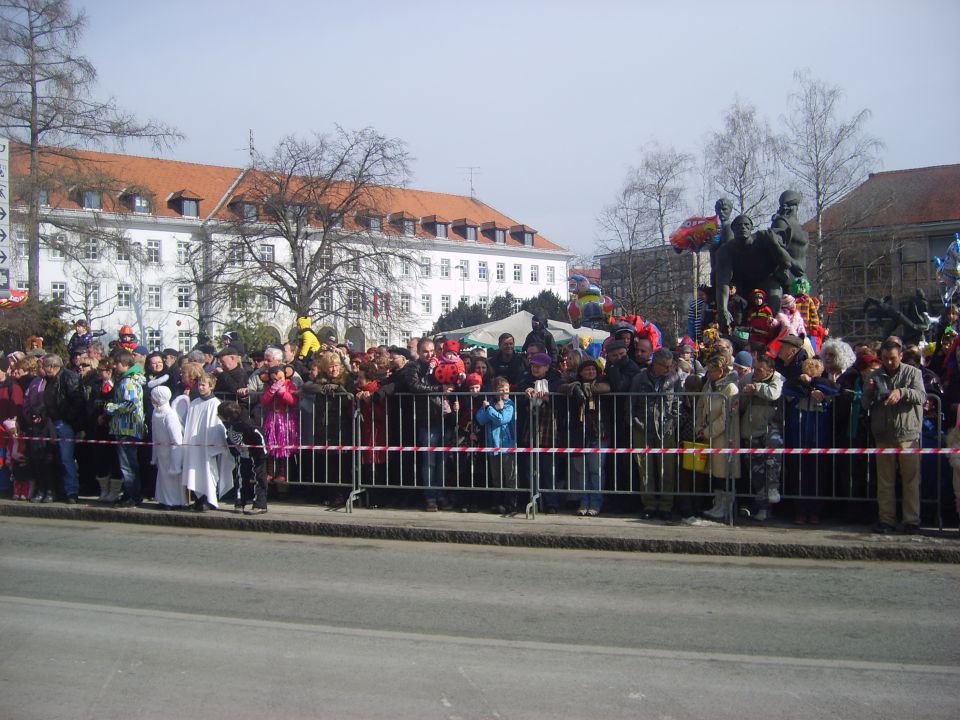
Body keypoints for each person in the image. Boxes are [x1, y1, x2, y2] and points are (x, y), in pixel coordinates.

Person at [863, 337, 926, 534]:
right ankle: (887, 519)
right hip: (883, 434)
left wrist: (902, 392)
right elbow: (865, 404)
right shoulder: (875, 374)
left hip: (908, 434)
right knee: (885, 481)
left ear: (900, 356)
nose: (889, 362)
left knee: (910, 480)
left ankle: (911, 520)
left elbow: (921, 396)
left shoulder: (913, 373)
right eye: (885, 359)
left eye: (893, 358)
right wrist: (870, 391)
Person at [632, 349, 683, 520]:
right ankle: (649, 504)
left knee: (666, 469)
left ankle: (666, 505)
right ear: (655, 364)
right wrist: (634, 422)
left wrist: (674, 420)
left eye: (671, 366)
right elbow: (630, 403)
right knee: (645, 469)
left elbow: (678, 402)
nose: (669, 369)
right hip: (642, 427)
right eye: (665, 366)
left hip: (666, 427)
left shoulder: (674, 378)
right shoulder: (639, 379)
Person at [736, 353, 785, 522]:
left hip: (770, 428)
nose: (755, 372)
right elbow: (739, 400)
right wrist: (741, 396)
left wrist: (756, 388)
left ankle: (773, 488)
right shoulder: (747, 378)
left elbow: (774, 394)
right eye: (755, 369)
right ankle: (763, 506)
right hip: (750, 429)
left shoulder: (777, 378)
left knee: (772, 460)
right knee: (756, 471)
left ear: (770, 370)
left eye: (760, 370)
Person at [181, 373, 234, 511]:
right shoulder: (194, 403)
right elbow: (190, 425)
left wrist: (213, 446)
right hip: (194, 446)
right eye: (199, 385)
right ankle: (198, 499)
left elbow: (216, 427)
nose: (200, 387)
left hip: (207, 446)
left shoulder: (215, 403)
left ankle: (209, 500)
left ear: (211, 386)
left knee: (208, 471)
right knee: (194, 471)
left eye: (204, 385)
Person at [103, 351, 147, 507]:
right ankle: (132, 494)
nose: (115, 367)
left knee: (127, 465)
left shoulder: (128, 382)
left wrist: (111, 407)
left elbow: (131, 404)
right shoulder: (127, 380)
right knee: (128, 465)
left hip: (127, 428)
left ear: (124, 364)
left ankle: (132, 495)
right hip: (125, 428)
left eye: (117, 363)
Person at [40, 353, 84, 503]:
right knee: (56, 458)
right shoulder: (51, 379)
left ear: (52, 366)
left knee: (67, 459)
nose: (43, 370)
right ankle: (61, 489)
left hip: (64, 422)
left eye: (45, 366)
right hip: (53, 421)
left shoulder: (68, 377)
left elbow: (77, 401)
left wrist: (68, 418)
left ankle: (72, 491)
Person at [476, 376, 519, 515]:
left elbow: (501, 419)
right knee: (496, 476)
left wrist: (490, 410)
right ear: (495, 391)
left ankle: (511, 503)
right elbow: (480, 419)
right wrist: (490, 408)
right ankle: (498, 502)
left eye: (507, 390)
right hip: (493, 445)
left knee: (510, 476)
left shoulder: (510, 404)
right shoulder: (490, 404)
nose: (505, 393)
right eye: (501, 390)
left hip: (507, 445)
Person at [218, 400, 268, 515]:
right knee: (241, 478)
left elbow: (259, 436)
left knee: (259, 478)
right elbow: (230, 437)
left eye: (220, 415)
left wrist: (262, 454)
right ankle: (240, 502)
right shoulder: (228, 424)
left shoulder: (247, 424)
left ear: (228, 417)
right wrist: (235, 451)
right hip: (242, 453)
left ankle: (260, 504)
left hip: (256, 453)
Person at [149, 386, 184, 509]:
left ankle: (173, 501)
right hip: (161, 451)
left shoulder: (170, 415)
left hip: (170, 452)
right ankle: (163, 499)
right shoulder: (156, 412)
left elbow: (176, 439)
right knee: (162, 476)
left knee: (171, 478)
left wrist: (176, 459)